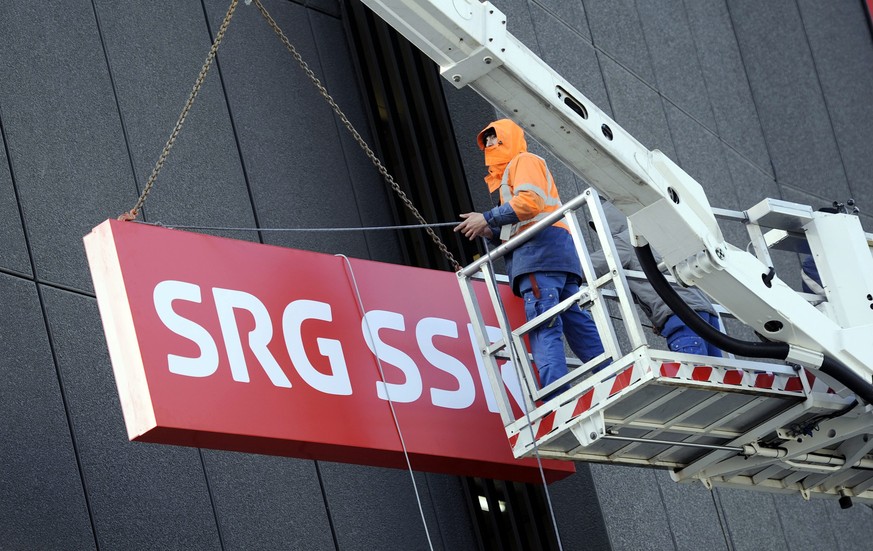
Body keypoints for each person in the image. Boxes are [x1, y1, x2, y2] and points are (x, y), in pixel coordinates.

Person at [454, 119, 605, 392]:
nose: (487, 144)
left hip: (539, 256)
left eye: (492, 138)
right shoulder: (513, 173)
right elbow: (520, 220)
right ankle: (609, 376)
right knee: (574, 319)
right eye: (486, 139)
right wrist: (489, 228)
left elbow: (529, 203)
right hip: (556, 255)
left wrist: (486, 218)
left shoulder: (523, 162)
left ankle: (556, 396)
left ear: (506, 139)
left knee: (544, 325)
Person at [588, 201, 722, 357]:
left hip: (681, 316)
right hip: (705, 313)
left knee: (696, 375)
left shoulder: (626, 241)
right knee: (716, 375)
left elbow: (589, 267)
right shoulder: (655, 236)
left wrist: (557, 266)